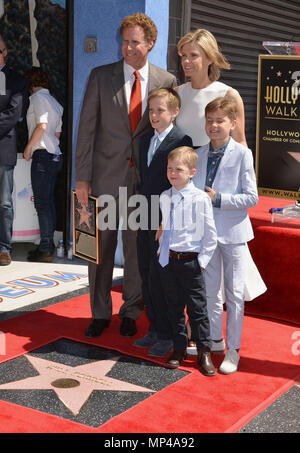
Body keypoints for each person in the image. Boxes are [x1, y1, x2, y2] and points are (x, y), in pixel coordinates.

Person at [75, 13, 176, 339]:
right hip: (103, 179)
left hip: (144, 184)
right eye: (124, 41)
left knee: (137, 250)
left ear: (150, 43)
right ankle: (99, 313)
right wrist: (81, 179)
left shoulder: (166, 81)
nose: (128, 47)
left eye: (135, 42)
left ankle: (131, 311)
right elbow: (86, 130)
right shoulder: (100, 76)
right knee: (99, 249)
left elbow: (169, 135)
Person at [194, 97, 258, 374]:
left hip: (233, 234)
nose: (214, 125)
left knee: (233, 294)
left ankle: (233, 349)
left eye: (220, 120)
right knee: (209, 293)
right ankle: (214, 340)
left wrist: (218, 199)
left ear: (233, 124)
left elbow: (251, 197)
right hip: (206, 236)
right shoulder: (197, 153)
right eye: (209, 120)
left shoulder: (243, 154)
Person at [134, 88, 193, 357]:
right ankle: (155, 328)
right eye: (151, 110)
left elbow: (180, 184)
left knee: (164, 276)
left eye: (160, 110)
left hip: (166, 217)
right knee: (147, 272)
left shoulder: (182, 140)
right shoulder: (145, 140)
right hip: (145, 215)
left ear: (174, 112)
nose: (154, 115)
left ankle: (169, 333)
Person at [158, 146, 217, 376]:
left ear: (192, 172)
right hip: (169, 261)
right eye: (170, 169)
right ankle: (179, 348)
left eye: (179, 169)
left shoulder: (200, 198)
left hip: (191, 262)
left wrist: (200, 262)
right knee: (173, 308)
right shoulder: (165, 196)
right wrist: (162, 251)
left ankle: (204, 351)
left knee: (198, 311)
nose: (173, 173)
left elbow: (210, 235)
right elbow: (167, 227)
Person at [175, 29, 247, 148]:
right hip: (183, 164)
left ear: (210, 58)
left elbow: (240, 142)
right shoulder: (177, 93)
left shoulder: (229, 95)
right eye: (184, 56)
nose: (186, 61)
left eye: (194, 55)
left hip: (216, 164)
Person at [23, 67, 63, 262]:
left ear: (31, 83)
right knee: (48, 202)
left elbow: (42, 126)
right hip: (54, 155)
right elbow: (56, 134)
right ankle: (48, 243)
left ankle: (46, 247)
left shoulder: (37, 99)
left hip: (42, 155)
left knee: (42, 203)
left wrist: (28, 147)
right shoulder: (55, 102)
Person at [0, 34, 29, 266]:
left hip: (3, 150)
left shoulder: (16, 81)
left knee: (3, 203)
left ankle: (3, 248)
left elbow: (12, 114)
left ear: (5, 52)